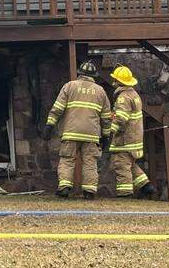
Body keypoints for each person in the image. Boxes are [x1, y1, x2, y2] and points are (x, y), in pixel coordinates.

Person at [43, 60, 113, 199]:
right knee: (90, 162)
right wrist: (106, 136)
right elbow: (106, 117)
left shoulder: (69, 86)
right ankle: (89, 191)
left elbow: (57, 109)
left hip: (71, 132)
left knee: (67, 160)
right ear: (94, 75)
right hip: (91, 134)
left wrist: (49, 125)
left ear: (80, 74)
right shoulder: (100, 91)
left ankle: (64, 187)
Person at [105, 65, 156, 198]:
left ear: (120, 82)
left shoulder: (123, 97)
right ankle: (146, 186)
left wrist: (111, 131)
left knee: (121, 165)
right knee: (131, 165)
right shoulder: (134, 95)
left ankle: (125, 194)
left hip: (125, 140)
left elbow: (121, 119)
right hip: (134, 139)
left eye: (115, 80)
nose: (113, 83)